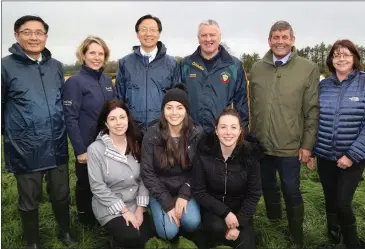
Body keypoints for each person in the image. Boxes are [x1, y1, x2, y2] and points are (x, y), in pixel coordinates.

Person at [1, 15, 77, 248]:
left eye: (39, 32)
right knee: (28, 198)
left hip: (56, 142)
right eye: (27, 32)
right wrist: (12, 136)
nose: (34, 37)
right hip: (25, 146)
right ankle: (32, 242)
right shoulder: (5, 66)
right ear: (16, 35)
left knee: (61, 193)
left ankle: (65, 232)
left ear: (45, 36)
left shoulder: (55, 66)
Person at [249, 20, 320, 246]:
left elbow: (312, 110)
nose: (280, 42)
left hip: (290, 145)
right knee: (266, 185)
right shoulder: (257, 68)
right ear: (269, 40)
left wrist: (307, 145)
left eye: (285, 37)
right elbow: (252, 105)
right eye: (276, 37)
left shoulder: (308, 68)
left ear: (292, 40)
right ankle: (274, 222)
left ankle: (296, 235)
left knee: (290, 189)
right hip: (261, 144)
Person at [307, 40, 365, 249]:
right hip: (325, 156)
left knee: (343, 202)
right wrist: (313, 151)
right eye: (337, 55)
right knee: (330, 199)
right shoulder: (323, 86)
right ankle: (334, 238)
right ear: (331, 59)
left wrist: (351, 155)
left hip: (353, 158)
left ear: (354, 58)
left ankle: (352, 243)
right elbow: (315, 119)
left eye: (346, 54)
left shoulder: (363, 83)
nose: (341, 58)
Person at [192, 107, 263, 249]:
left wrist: (239, 223)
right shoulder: (204, 153)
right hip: (213, 209)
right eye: (223, 127)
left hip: (240, 211)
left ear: (240, 131)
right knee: (216, 228)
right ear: (216, 131)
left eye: (233, 127)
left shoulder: (250, 156)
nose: (228, 132)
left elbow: (254, 193)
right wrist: (226, 213)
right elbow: (199, 191)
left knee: (246, 245)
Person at [62, 35, 115, 226]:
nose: (97, 57)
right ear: (83, 55)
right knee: (86, 183)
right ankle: (85, 219)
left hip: (107, 144)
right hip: (86, 145)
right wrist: (79, 149)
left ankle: (105, 215)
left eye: (101, 53)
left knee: (105, 182)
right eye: (92, 52)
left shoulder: (107, 81)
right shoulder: (74, 82)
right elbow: (70, 117)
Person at [140, 84, 202, 242]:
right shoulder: (151, 135)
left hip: (185, 188)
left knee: (193, 223)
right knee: (168, 233)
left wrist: (184, 194)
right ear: (163, 110)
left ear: (186, 110)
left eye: (179, 107)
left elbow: (199, 169)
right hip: (160, 190)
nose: (174, 113)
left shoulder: (196, 134)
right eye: (169, 107)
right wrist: (167, 204)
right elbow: (147, 172)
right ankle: (158, 217)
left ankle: (181, 220)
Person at [87, 99, 152, 249]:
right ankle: (116, 242)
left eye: (122, 117)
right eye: (112, 118)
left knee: (144, 238)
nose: (118, 123)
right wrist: (124, 211)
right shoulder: (95, 149)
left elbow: (144, 178)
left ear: (128, 119)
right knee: (131, 236)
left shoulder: (136, 144)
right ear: (105, 122)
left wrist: (140, 209)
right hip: (109, 204)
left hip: (135, 201)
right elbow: (97, 187)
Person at [179, 19, 249, 132]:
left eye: (212, 35)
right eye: (204, 35)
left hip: (223, 136)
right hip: (191, 135)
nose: (208, 39)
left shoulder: (234, 66)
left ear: (219, 37)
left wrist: (242, 135)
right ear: (198, 39)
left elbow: (242, 104)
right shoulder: (186, 64)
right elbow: (178, 101)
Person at [115, 14, 179, 132]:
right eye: (143, 30)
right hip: (132, 129)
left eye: (152, 30)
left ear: (159, 34)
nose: (148, 34)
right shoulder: (125, 63)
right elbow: (119, 97)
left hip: (162, 129)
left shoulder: (172, 64)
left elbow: (177, 99)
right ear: (137, 34)